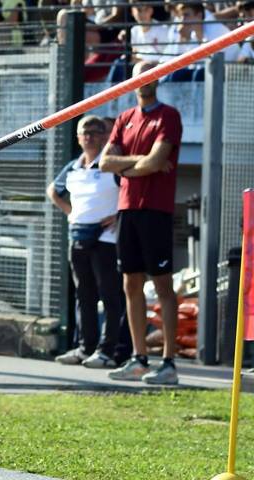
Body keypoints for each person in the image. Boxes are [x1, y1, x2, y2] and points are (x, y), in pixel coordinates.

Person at [100, 61, 182, 385]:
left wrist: (130, 166)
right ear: (132, 82)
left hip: (156, 210)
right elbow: (105, 162)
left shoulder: (169, 116)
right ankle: (139, 358)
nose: (144, 81)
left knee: (162, 285)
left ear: (157, 80)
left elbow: (157, 161)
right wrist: (139, 164)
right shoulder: (124, 119)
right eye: (139, 76)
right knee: (130, 284)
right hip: (127, 209)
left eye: (150, 75)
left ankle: (169, 363)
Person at [47, 115, 124, 368]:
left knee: (110, 296)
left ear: (105, 136)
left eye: (95, 132)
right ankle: (85, 347)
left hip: (106, 239)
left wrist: (117, 215)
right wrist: (70, 212)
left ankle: (108, 350)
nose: (90, 136)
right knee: (84, 295)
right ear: (78, 138)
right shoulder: (72, 167)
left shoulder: (111, 165)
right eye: (85, 132)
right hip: (78, 235)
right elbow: (52, 191)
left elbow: (129, 190)